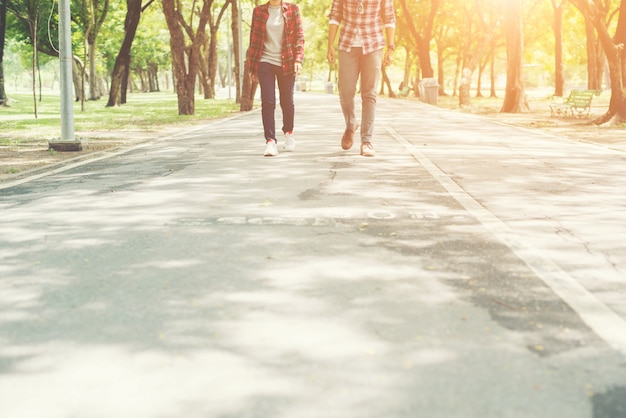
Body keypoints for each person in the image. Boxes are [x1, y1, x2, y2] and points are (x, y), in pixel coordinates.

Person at [327, 0, 396, 157]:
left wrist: (391, 48)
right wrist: (330, 44)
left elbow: (389, 17)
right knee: (345, 91)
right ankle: (351, 124)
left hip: (373, 43)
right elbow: (335, 15)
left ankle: (366, 141)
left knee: (369, 93)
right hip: (347, 43)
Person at [247, 0, 305, 157]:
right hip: (265, 60)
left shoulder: (293, 10)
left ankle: (288, 132)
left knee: (287, 101)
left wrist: (299, 59)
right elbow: (253, 39)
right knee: (268, 101)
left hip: (286, 61)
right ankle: (270, 141)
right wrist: (252, 67)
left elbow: (299, 37)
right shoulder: (258, 11)